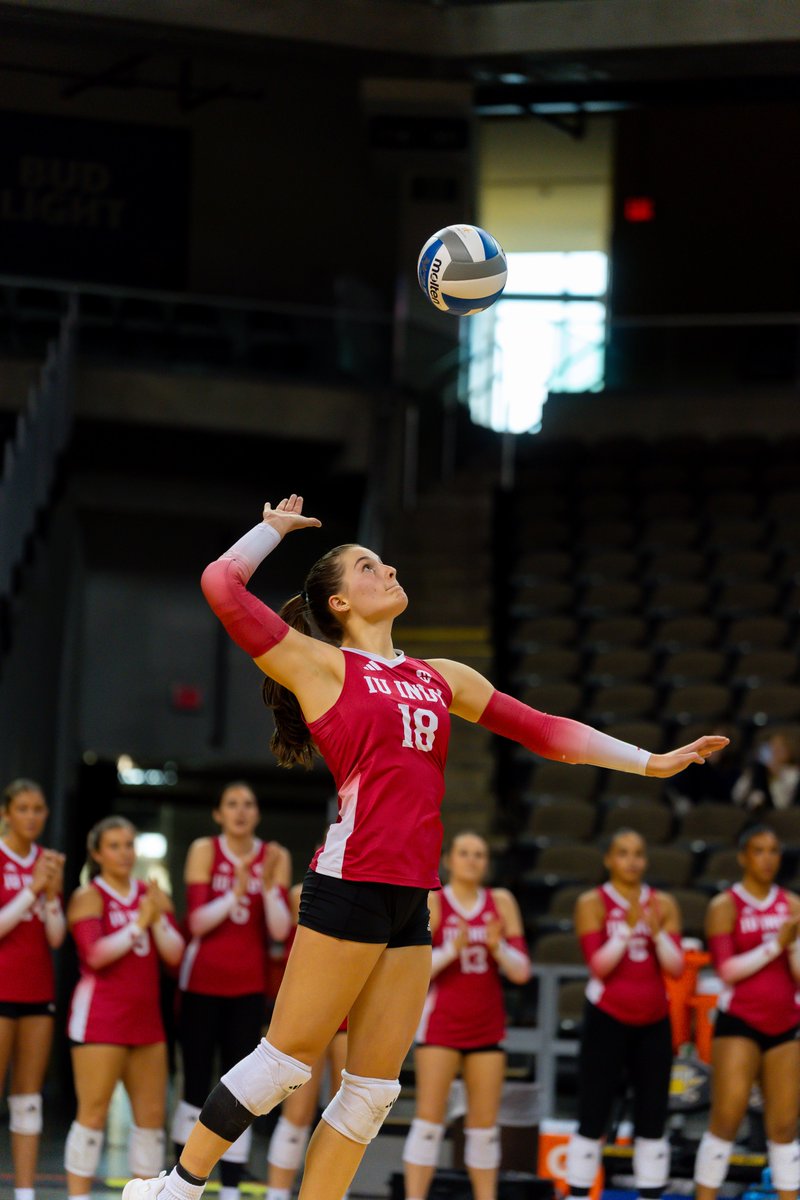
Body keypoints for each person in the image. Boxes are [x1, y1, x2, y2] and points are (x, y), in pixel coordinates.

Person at [122, 492, 728, 1200]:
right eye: (368, 567)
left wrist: (650, 762)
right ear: (339, 603)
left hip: (412, 893)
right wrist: (270, 531)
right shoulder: (320, 666)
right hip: (351, 880)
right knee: (287, 1062)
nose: (387, 570)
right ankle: (175, 1188)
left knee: (373, 1092)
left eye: (384, 562)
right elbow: (222, 587)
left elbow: (545, 731)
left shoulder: (440, 676)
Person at [172, 781, 292, 1200]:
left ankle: (231, 1184)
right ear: (218, 813)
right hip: (201, 983)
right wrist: (237, 892)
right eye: (232, 804)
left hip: (248, 986)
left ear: (257, 813)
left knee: (243, 1086)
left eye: (248, 804)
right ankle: (181, 1180)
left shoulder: (274, 855)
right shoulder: (205, 850)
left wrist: (268, 886)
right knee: (195, 1081)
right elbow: (196, 923)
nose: (240, 811)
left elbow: (280, 930)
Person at [403, 830, 530, 1200]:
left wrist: (498, 947)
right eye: (464, 853)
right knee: (429, 1122)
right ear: (449, 860)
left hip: (487, 1025)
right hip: (441, 1024)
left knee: (484, 1128)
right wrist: (451, 950)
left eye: (479, 854)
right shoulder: (435, 900)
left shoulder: (501, 901)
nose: (472, 860)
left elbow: (522, 972)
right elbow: (415, 970)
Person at [65, 816, 185, 1200]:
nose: (124, 853)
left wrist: (157, 918)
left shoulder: (152, 894)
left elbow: (175, 956)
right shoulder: (88, 896)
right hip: (100, 1019)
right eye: (114, 846)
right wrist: (138, 923)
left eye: (129, 844)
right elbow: (95, 955)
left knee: (151, 1120)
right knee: (93, 1113)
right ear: (97, 853)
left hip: (146, 1022)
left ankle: (144, 1195)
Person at [567, 829, 684, 1200]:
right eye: (623, 853)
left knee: (653, 1116)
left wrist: (657, 933)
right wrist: (627, 930)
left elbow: (677, 967)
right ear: (608, 859)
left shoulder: (663, 903)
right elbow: (598, 966)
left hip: (654, 1020)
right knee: (593, 1113)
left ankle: (650, 1194)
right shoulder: (592, 902)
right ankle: (578, 1194)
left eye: (638, 853)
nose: (632, 861)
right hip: (607, 1017)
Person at [693, 825, 800, 1200]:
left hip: (786, 1022)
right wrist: (776, 945)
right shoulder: (725, 906)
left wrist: (793, 948)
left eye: (773, 850)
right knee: (727, 1118)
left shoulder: (793, 905)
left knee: (785, 1126)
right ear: (743, 857)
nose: (767, 858)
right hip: (740, 1020)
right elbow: (726, 971)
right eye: (759, 850)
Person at [0, 778, 66, 1200]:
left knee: (28, 1099)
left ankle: (25, 1193)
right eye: (22, 808)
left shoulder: (48, 861)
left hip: (37, 993)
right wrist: (32, 890)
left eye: (38, 808)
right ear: (6, 813)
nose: (31, 816)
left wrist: (52, 896)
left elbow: (56, 936)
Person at [265, 879, 347, 1200]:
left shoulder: (372, 895)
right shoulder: (302, 892)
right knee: (297, 1113)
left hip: (349, 1006)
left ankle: (337, 1193)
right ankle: (277, 1193)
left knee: (346, 1114)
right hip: (309, 1006)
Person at [731, 728, 800, 812]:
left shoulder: (793, 773)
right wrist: (750, 775)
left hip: (777, 812)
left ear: (790, 750)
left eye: (780, 747)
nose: (774, 751)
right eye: (772, 746)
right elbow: (737, 797)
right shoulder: (758, 769)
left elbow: (782, 804)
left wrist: (777, 775)